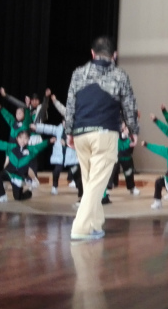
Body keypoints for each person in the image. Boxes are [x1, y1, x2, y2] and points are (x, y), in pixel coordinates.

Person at [65, 36, 139, 241]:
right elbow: (129, 106)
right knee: (96, 183)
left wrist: (68, 132)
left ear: (92, 53)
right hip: (104, 133)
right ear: (114, 55)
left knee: (90, 181)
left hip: (80, 133)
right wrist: (133, 130)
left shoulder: (78, 73)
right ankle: (80, 228)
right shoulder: (119, 75)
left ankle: (94, 224)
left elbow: (70, 104)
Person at [0, 131, 53, 203]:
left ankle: (29, 192)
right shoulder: (11, 147)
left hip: (19, 177)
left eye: (25, 138)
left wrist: (49, 141)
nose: (23, 140)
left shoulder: (31, 149)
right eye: (21, 138)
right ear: (17, 138)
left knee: (18, 198)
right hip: (9, 173)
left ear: (28, 139)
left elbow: (40, 146)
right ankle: (1, 195)